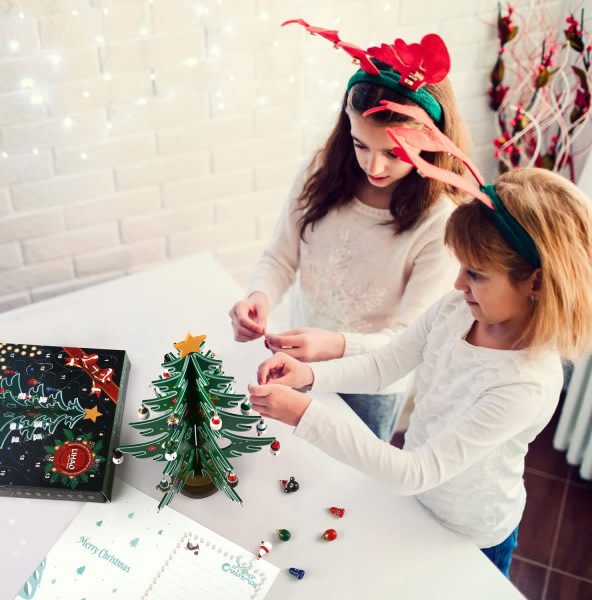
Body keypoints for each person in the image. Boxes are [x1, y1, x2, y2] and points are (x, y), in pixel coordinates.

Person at [246, 156, 592, 576]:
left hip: (470, 534)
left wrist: (305, 414)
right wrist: (312, 375)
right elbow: (385, 365)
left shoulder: (525, 384)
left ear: (536, 282)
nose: (458, 283)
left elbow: (416, 471)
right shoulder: (457, 310)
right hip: (415, 505)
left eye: (476, 274)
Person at [229, 21, 470, 440]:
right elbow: (281, 257)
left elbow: (409, 341)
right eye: (361, 145)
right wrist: (258, 296)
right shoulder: (319, 173)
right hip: (296, 360)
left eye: (395, 153)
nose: (374, 167)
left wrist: (334, 347)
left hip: (372, 385)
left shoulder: (440, 224)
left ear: (431, 144)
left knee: (352, 484)